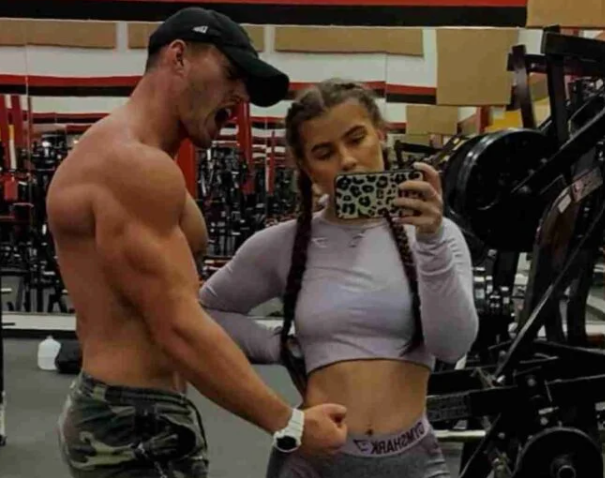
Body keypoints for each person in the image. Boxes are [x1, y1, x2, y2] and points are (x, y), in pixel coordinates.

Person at [48, 8, 348, 478]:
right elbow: (176, 324)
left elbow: (190, 300)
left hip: (144, 410)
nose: (240, 98)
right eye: (231, 75)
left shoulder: (146, 160)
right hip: (131, 421)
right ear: (179, 57)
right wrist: (289, 423)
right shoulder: (131, 164)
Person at [199, 79, 479, 477]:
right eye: (324, 152)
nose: (347, 160)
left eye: (356, 138)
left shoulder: (437, 235)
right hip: (313, 462)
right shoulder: (282, 244)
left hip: (413, 459)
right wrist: (279, 345)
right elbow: (205, 311)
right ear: (306, 167)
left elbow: (452, 345)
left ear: (380, 134)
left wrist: (431, 241)